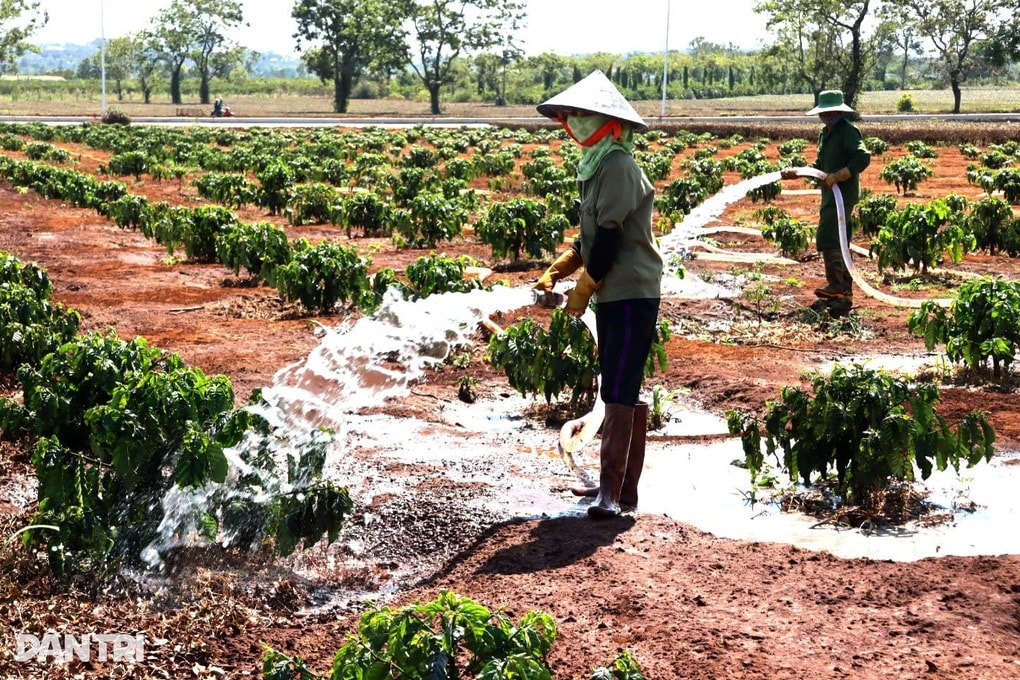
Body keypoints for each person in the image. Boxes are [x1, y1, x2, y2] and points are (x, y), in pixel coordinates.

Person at [533, 70, 663, 519]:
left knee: (621, 388)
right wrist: (558, 270)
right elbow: (588, 240)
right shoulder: (593, 168)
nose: (574, 123)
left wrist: (584, 288)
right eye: (572, 115)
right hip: (613, 293)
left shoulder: (619, 166)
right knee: (617, 384)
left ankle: (611, 495)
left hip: (630, 291)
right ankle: (622, 491)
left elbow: (607, 242)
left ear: (608, 123)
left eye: (581, 115)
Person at [781, 89, 871, 315]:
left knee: (829, 236)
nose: (827, 116)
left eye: (831, 112)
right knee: (841, 242)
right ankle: (843, 294)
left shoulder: (848, 132)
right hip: (831, 194)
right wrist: (798, 172)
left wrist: (840, 175)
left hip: (843, 194)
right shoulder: (825, 133)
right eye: (824, 112)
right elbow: (820, 164)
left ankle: (836, 286)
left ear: (838, 112)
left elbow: (863, 157)